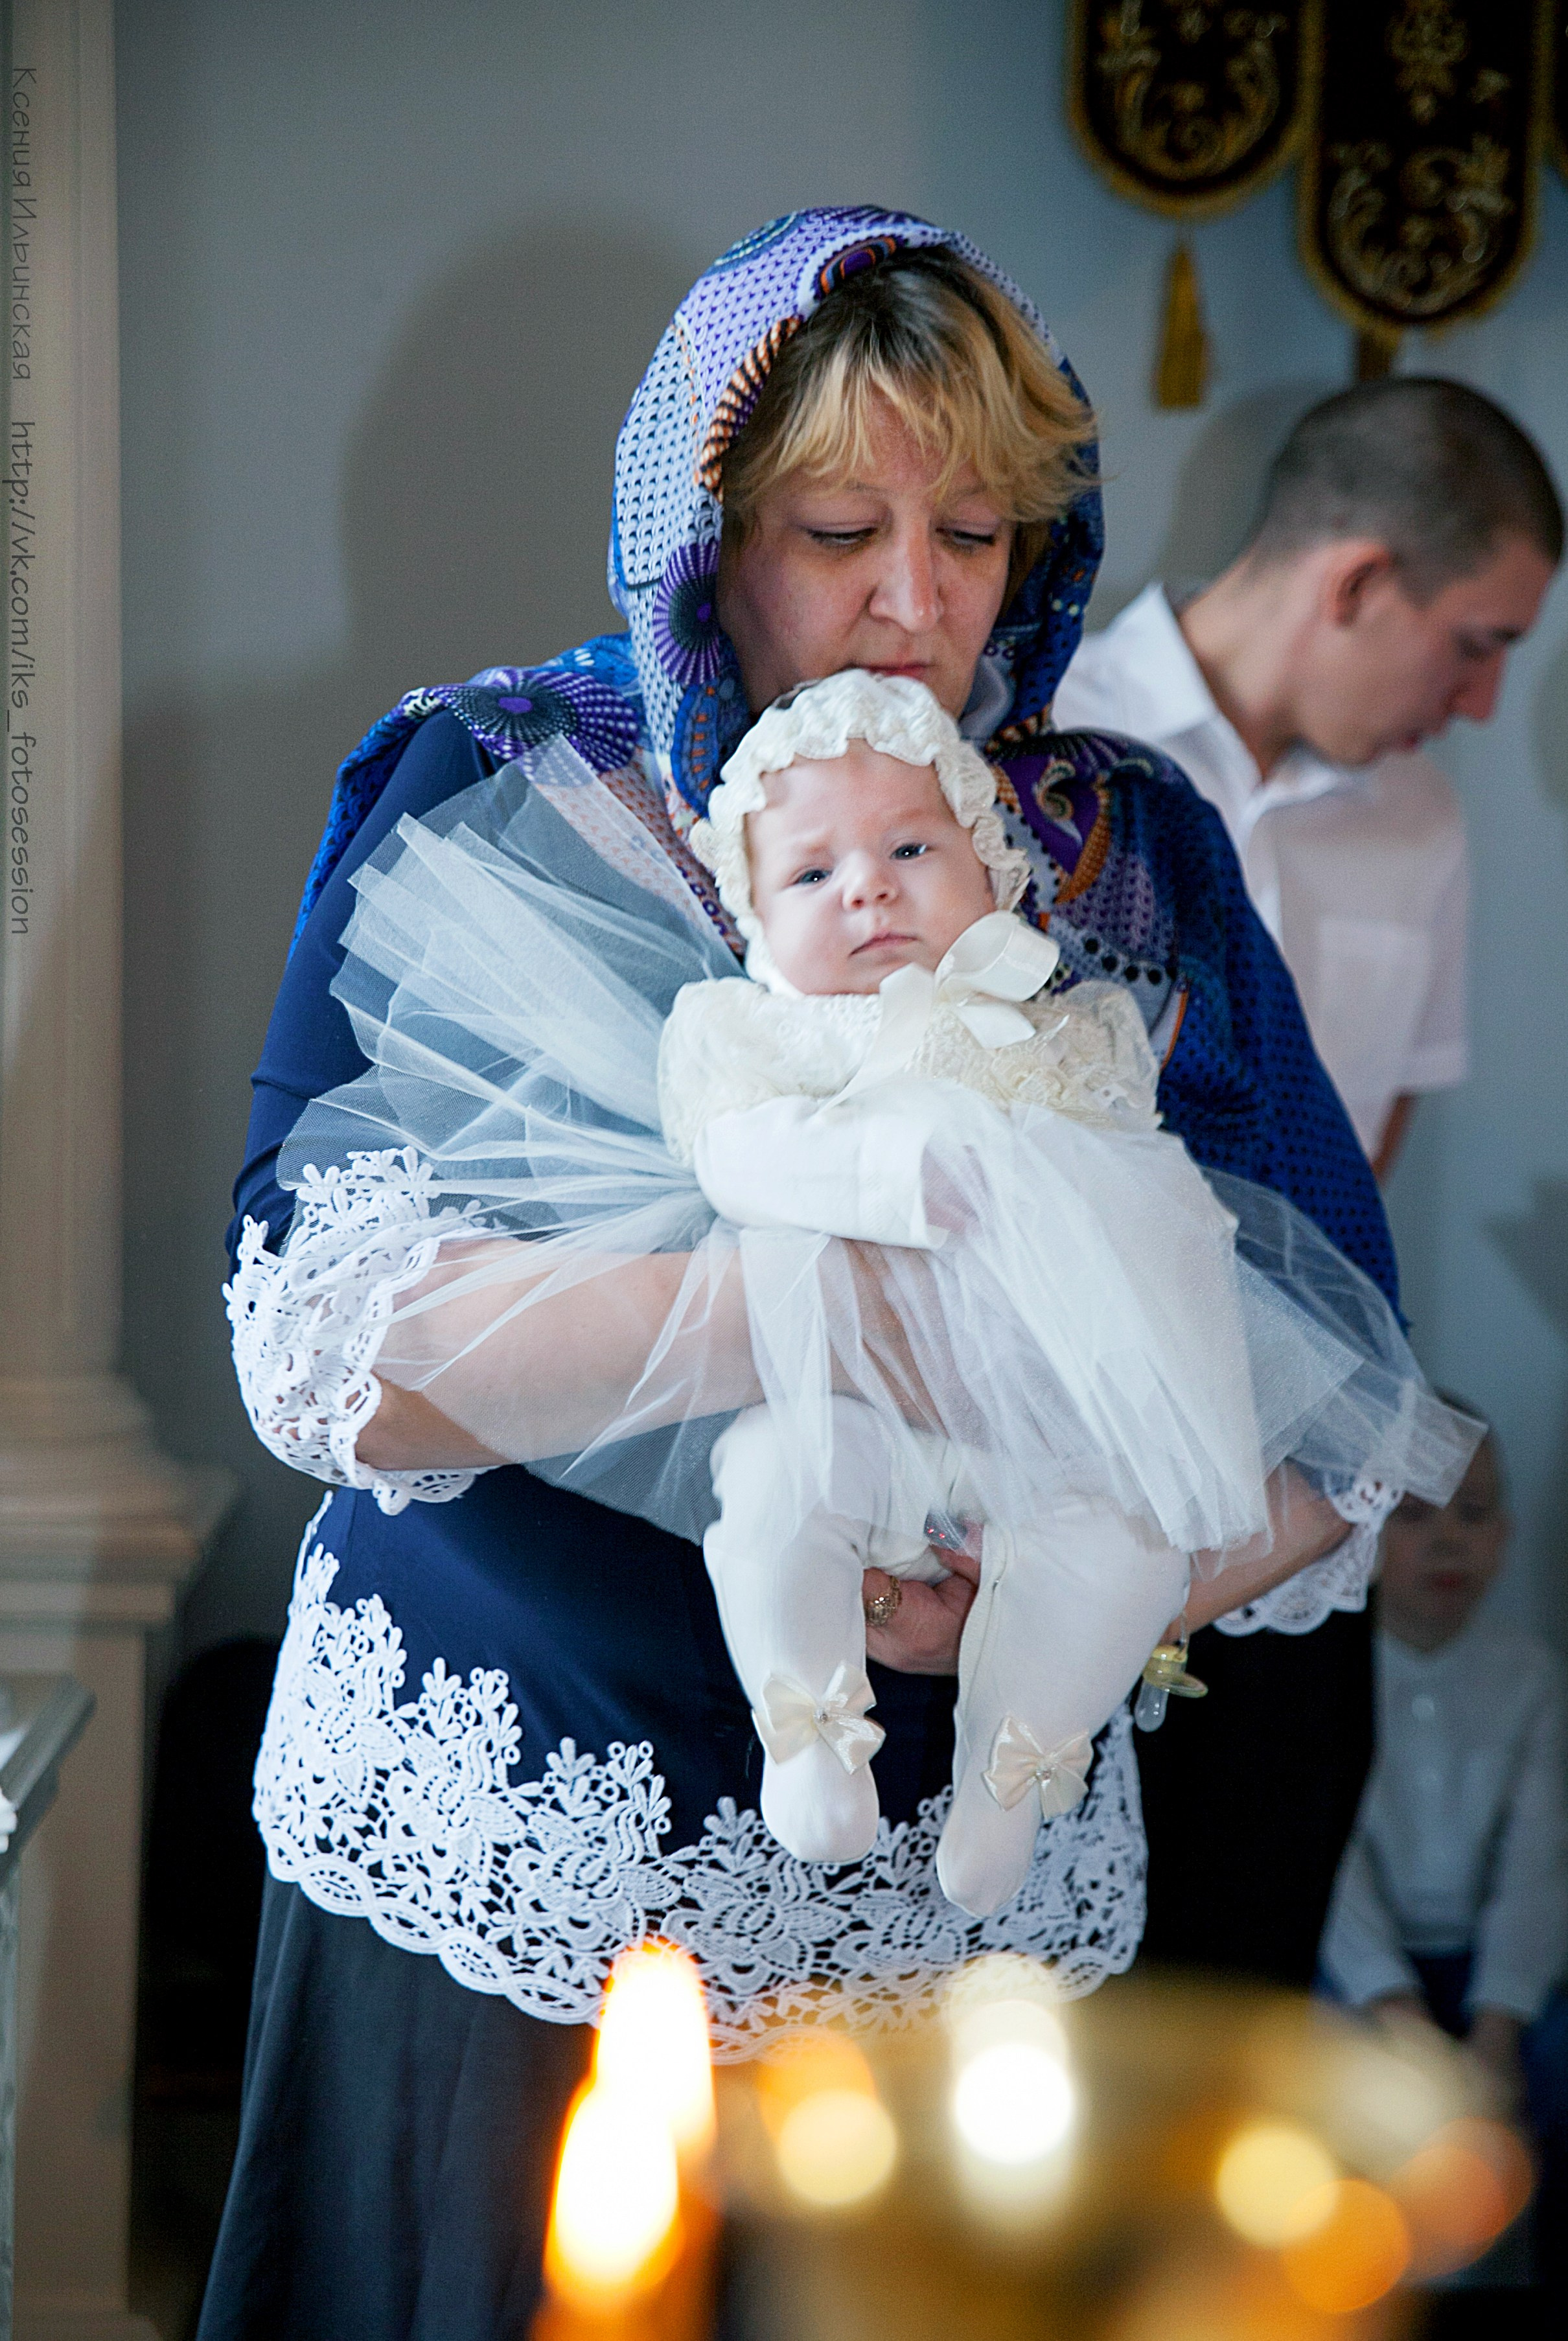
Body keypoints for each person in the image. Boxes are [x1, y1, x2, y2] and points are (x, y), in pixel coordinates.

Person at [207, 211, 1403, 2333]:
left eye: (977, 529)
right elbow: (332, 1360)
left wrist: (1064, 1592)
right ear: (701, 531)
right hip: (526, 1828)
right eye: (841, 525)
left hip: (958, 1923)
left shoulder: (1128, 858)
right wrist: (796, 1307)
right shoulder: (495, 787)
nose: (916, 599)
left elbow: (1330, 1405)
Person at [1055, 379, 1561, 1179]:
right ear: (1355, 585)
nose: (1483, 703)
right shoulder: (1045, 741)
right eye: (1474, 644)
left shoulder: (1421, 813)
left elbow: (1377, 1130)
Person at [1319, 1415, 1568, 2293]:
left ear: (1503, 1537)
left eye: (1474, 1512)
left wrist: (1496, 2029)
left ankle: (1503, 2283)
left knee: (1533, 2089)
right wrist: (1403, 2021)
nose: (1449, 1539)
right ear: (1368, 1530)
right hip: (1360, 1972)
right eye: (1418, 1515)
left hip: (1498, 1963)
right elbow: (1331, 1868)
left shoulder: (1533, 1675)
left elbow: (1538, 1866)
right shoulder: (1327, 1671)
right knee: (1354, 2093)